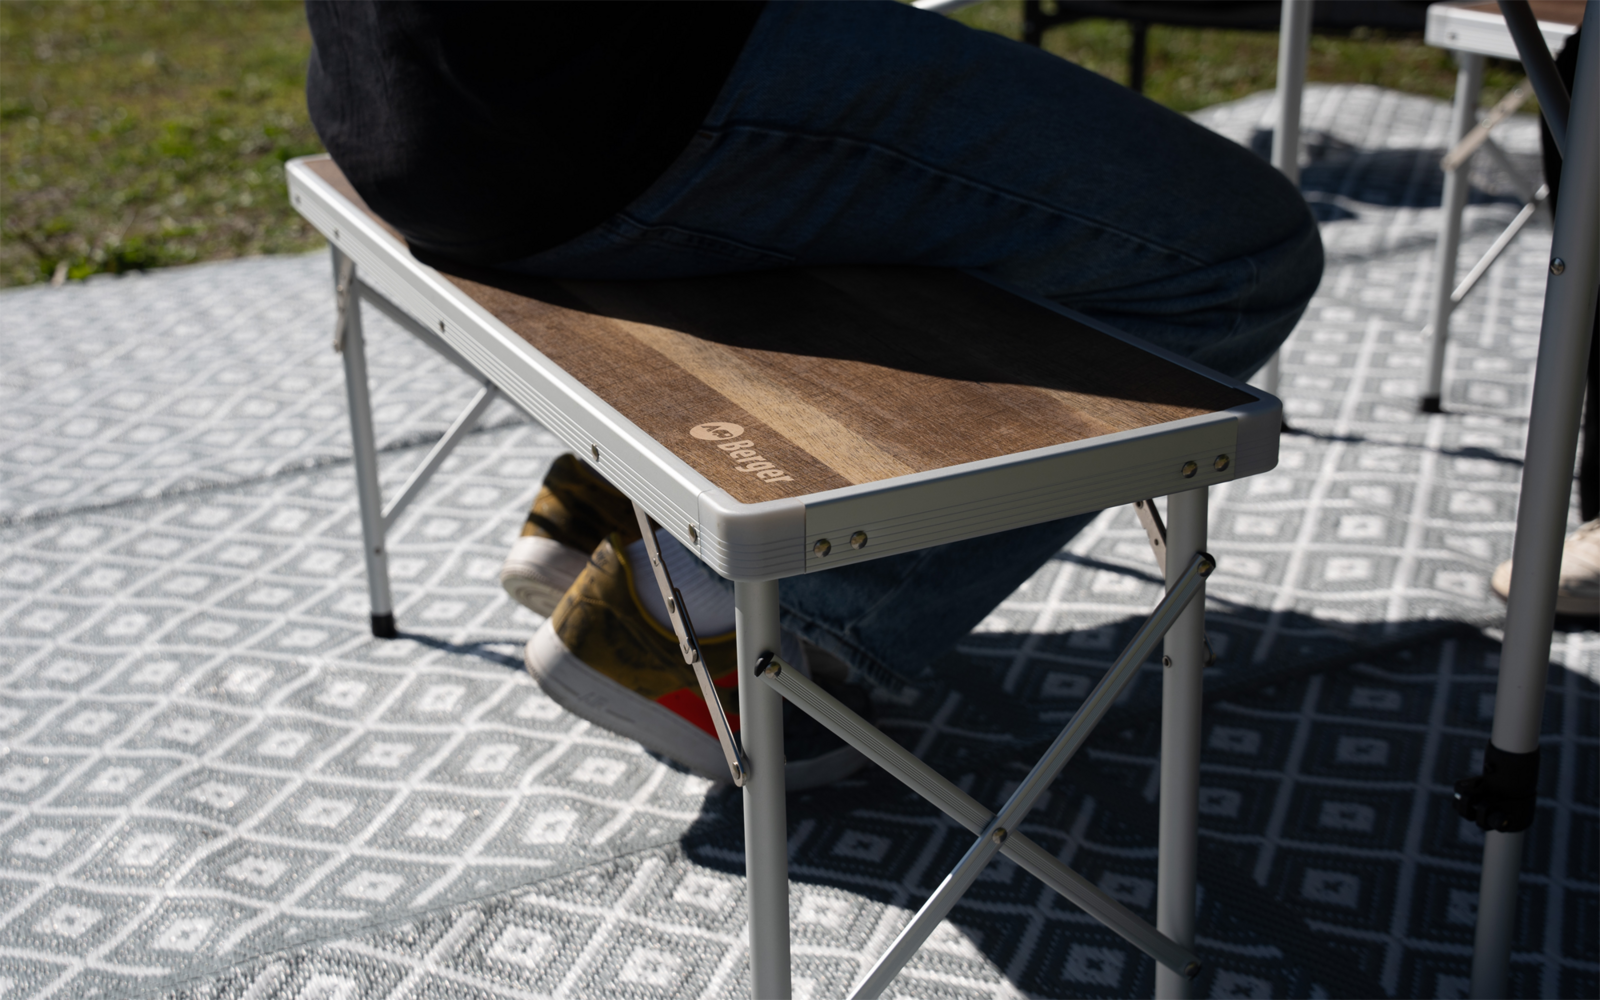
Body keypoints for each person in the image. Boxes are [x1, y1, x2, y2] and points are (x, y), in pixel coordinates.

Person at [304, 0, 1324, 787]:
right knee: (1239, 246)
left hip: (391, 86)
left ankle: (609, 504)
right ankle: (725, 617)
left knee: (935, 185)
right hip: (599, 100)